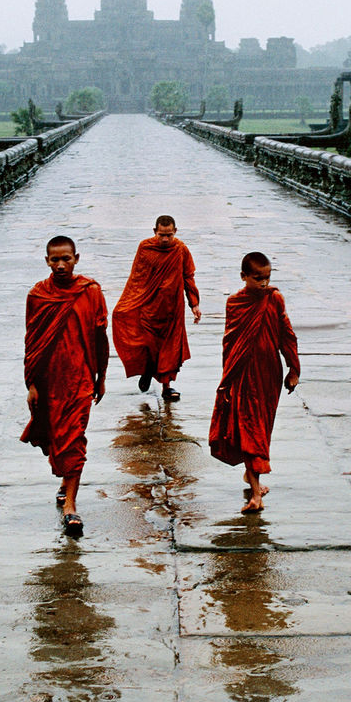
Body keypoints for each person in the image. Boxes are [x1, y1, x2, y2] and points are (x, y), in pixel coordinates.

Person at [20, 236, 109, 537]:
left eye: (66, 259)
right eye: (54, 260)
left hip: (81, 379)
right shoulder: (38, 295)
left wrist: (102, 376)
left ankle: (71, 505)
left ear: (76, 258)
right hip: (49, 379)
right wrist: (31, 382)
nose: (60, 265)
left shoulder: (91, 292)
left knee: (73, 439)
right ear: (46, 261)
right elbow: (32, 341)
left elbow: (100, 336)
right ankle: (65, 484)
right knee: (57, 439)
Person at [209, 251, 301, 514]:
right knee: (249, 428)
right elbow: (230, 343)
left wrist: (294, 369)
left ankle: (252, 477)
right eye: (257, 278)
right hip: (241, 373)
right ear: (243, 277)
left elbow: (287, 335)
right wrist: (226, 379)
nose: (263, 283)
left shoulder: (274, 299)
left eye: (267, 277)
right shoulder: (235, 303)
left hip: (268, 374)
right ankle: (256, 492)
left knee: (260, 426)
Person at [111, 215, 201, 401]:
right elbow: (137, 279)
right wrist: (129, 303)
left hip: (172, 309)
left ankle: (166, 387)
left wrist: (194, 304)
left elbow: (188, 276)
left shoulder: (181, 250)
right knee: (149, 345)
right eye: (162, 235)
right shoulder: (146, 248)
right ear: (154, 232)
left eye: (169, 235)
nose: (166, 239)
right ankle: (147, 370)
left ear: (175, 231)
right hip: (149, 308)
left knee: (170, 350)